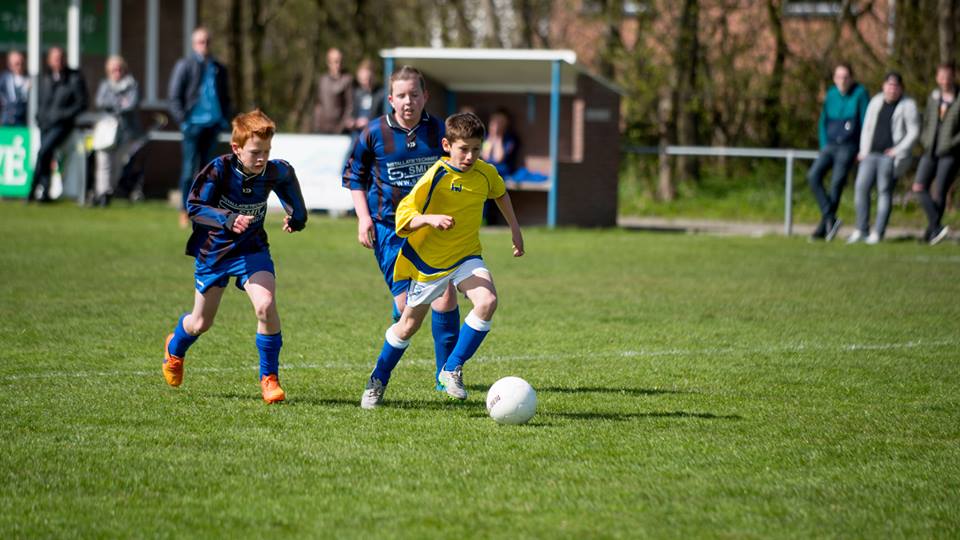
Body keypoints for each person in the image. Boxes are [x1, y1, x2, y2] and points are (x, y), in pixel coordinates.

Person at [360, 112, 524, 409]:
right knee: (408, 325)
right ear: (447, 145)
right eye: (464, 149)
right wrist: (429, 219)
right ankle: (378, 378)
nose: (470, 156)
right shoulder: (436, 176)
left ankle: (451, 368)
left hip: (466, 256)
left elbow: (500, 194)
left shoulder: (485, 172)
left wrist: (515, 230)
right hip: (430, 264)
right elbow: (404, 216)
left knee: (487, 301)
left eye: (476, 149)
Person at [162, 109, 307, 404]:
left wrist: (297, 217)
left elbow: (289, 182)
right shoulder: (218, 170)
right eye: (255, 152)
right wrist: (228, 219)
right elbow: (194, 206)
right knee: (200, 323)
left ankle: (269, 379)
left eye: (266, 151)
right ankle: (175, 348)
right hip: (214, 252)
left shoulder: (273, 171)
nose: (262, 158)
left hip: (252, 249)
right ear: (236, 148)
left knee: (266, 306)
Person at [342, 65, 462, 390]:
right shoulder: (373, 133)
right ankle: (399, 324)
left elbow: (457, 172)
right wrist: (364, 218)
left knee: (446, 295)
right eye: (401, 96)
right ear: (391, 99)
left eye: (414, 94)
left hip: (431, 229)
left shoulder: (440, 132)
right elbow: (354, 176)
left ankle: (447, 376)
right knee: (408, 309)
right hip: (389, 230)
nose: (408, 101)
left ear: (425, 96)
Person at [168, 27, 232, 227]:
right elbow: (173, 97)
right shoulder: (184, 65)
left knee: (209, 172)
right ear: (193, 44)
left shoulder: (219, 67)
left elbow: (227, 97)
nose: (203, 45)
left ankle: (204, 211)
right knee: (188, 170)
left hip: (213, 126)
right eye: (199, 42)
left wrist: (224, 119)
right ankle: (184, 211)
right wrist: (184, 122)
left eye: (206, 41)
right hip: (192, 126)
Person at [848, 72, 920, 244]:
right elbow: (867, 127)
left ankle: (878, 232)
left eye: (895, 86)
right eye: (889, 85)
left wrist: (898, 150)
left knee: (884, 191)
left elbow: (914, 132)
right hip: (870, 154)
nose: (892, 89)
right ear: (883, 86)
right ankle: (861, 229)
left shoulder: (908, 105)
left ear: (901, 88)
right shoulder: (876, 101)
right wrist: (863, 151)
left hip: (889, 157)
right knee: (861, 188)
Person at [807, 63, 869, 241]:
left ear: (851, 78)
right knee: (813, 176)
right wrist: (823, 145)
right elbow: (823, 122)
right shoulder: (831, 94)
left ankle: (824, 227)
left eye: (845, 77)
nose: (842, 80)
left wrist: (862, 149)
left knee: (836, 184)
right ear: (834, 78)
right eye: (839, 77)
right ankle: (829, 219)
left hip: (849, 146)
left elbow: (866, 123)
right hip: (830, 146)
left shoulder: (860, 94)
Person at [29, 46, 88, 203]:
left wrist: (62, 116)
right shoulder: (46, 78)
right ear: (49, 61)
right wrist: (40, 118)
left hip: (62, 125)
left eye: (61, 58)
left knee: (43, 152)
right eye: (55, 58)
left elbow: (82, 103)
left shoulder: (74, 77)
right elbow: (41, 102)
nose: (58, 61)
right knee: (46, 156)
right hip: (45, 124)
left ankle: (32, 189)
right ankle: (44, 193)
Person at [913, 62, 960, 245]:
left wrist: (951, 143)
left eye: (948, 76)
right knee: (919, 187)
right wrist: (925, 140)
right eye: (941, 76)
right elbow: (926, 122)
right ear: (937, 78)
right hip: (930, 150)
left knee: (939, 193)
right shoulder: (933, 97)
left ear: (953, 77)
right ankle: (936, 228)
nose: (944, 80)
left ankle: (931, 233)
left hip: (950, 154)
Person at [92, 55, 145, 206]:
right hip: (106, 130)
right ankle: (102, 194)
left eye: (119, 69)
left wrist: (113, 105)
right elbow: (100, 102)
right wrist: (119, 103)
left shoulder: (132, 84)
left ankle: (109, 191)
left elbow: (131, 104)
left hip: (125, 131)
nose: (117, 72)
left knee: (118, 164)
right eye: (114, 69)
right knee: (103, 162)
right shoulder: (105, 85)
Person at [312, 48, 353, 134]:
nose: (338, 65)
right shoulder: (322, 81)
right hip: (321, 130)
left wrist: (341, 127)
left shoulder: (347, 80)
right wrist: (316, 125)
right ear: (328, 62)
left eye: (340, 61)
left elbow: (349, 106)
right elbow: (318, 105)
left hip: (339, 131)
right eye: (335, 61)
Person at [346, 58, 384, 138]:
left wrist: (369, 122)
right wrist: (352, 121)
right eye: (363, 81)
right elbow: (353, 113)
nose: (366, 84)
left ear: (373, 76)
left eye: (368, 80)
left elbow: (386, 116)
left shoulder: (382, 93)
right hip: (358, 134)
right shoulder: (357, 93)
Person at [481, 109, 519, 178]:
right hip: (487, 169)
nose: (497, 125)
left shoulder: (510, 138)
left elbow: (498, 159)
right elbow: (485, 156)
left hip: (502, 171)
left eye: (500, 122)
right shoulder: (486, 137)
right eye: (494, 121)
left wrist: (498, 137)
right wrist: (491, 136)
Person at [0, 50, 29, 126]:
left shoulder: (28, 79)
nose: (20, 66)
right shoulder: (4, 78)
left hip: (22, 121)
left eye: (21, 63)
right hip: (6, 119)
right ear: (10, 65)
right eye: (17, 64)